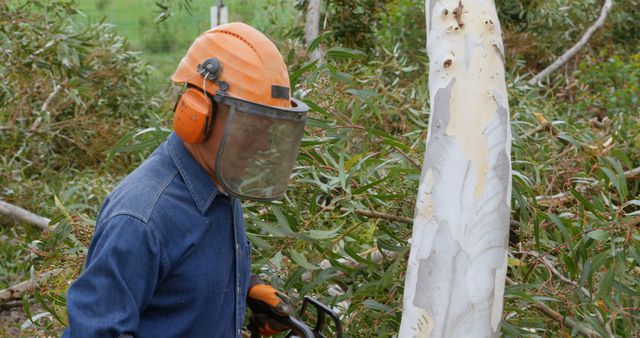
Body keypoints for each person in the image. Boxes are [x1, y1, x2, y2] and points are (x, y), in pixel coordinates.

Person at [63, 22, 309, 337]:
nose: (262, 145)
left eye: (266, 129)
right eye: (250, 128)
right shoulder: (141, 219)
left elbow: (182, 272)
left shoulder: (218, 183)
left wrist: (247, 289)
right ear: (196, 113)